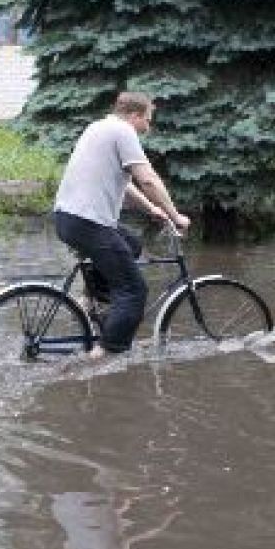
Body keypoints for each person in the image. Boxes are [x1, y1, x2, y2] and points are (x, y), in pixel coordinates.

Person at [53, 91, 191, 360]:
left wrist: (152, 209)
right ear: (134, 115)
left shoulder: (98, 128)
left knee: (131, 244)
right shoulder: (123, 132)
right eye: (147, 121)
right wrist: (176, 216)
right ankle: (102, 355)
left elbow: (125, 182)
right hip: (89, 223)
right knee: (134, 291)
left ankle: (94, 302)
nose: (148, 128)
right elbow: (147, 179)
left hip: (67, 218)